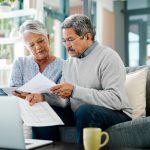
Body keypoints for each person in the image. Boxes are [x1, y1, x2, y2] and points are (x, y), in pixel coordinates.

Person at [23, 14, 132, 144]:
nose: (67, 45)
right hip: (78, 113)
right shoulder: (69, 63)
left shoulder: (108, 57)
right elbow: (65, 101)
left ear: (87, 37)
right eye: (64, 40)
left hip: (116, 113)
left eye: (70, 39)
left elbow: (116, 100)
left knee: (84, 110)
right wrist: (43, 98)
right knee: (42, 109)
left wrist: (75, 91)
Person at [9, 20, 64, 139]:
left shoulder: (63, 65)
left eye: (40, 41)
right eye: (32, 45)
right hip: (23, 109)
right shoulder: (20, 63)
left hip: (50, 110)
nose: (38, 47)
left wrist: (42, 97)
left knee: (38, 109)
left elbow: (64, 100)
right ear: (26, 46)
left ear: (48, 37)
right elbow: (14, 91)